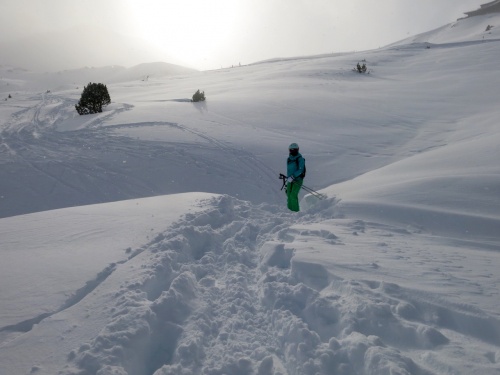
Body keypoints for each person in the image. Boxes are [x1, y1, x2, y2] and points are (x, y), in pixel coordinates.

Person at [286, 143, 305, 212]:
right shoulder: (289, 159)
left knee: (293, 195)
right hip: (290, 180)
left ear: (297, 150)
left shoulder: (300, 159)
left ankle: (295, 212)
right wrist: (288, 178)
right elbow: (289, 170)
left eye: (294, 150)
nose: (292, 151)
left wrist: (293, 176)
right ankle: (289, 211)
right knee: (288, 194)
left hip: (298, 180)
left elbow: (300, 170)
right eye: (291, 150)